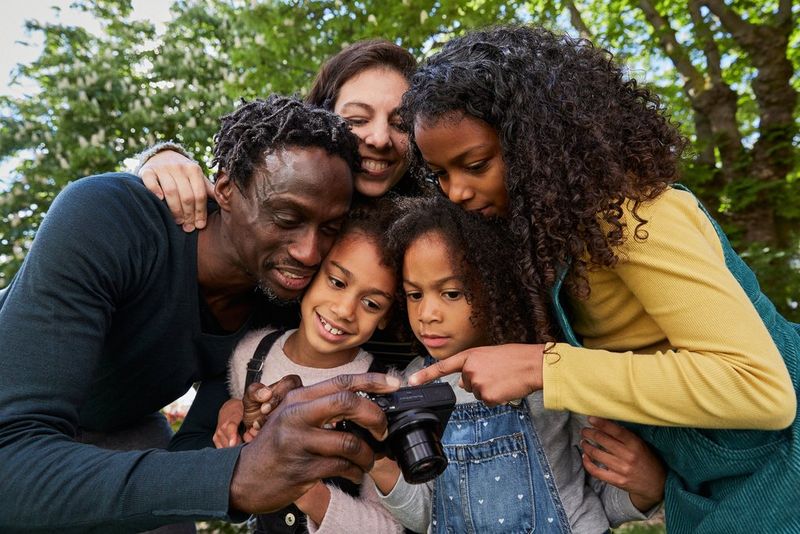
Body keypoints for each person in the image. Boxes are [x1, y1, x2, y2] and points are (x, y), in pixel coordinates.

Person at [398, 26, 799, 533]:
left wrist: (545, 367)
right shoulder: (553, 238)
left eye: (475, 165)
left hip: (783, 476)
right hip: (709, 486)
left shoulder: (638, 216)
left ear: (540, 144)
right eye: (440, 175)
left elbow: (760, 390)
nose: (455, 192)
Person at [0, 95, 401, 532]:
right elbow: (11, 461)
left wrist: (244, 432)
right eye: (286, 217)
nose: (309, 252)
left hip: (123, 426)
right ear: (224, 188)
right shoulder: (108, 217)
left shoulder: (280, 301)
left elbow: (193, 453)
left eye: (328, 229)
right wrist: (234, 476)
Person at [361, 196, 663, 533]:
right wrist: (374, 460)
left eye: (451, 293)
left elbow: (600, 498)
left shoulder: (548, 369)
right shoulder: (413, 385)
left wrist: (646, 488)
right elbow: (427, 515)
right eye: (415, 295)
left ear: (497, 287)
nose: (426, 314)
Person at [216, 204, 405, 534]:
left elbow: (389, 528)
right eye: (336, 281)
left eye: (372, 303)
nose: (345, 310)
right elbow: (240, 426)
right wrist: (229, 415)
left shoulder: (384, 392)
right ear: (311, 271)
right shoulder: (251, 354)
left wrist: (303, 489)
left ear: (386, 316)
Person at [137, 39, 417, 232]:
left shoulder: (436, 221)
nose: (380, 139)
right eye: (357, 119)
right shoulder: (254, 197)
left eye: (401, 124)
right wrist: (161, 160)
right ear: (320, 117)